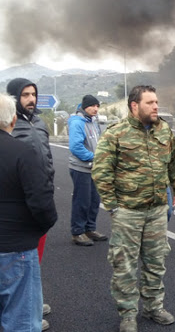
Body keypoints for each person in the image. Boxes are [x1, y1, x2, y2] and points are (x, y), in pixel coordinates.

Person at [92, 85, 175, 332]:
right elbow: (101, 172)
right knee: (124, 265)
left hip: (157, 210)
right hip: (128, 212)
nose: (156, 106)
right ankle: (127, 314)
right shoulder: (116, 133)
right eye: (150, 103)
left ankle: (154, 307)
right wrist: (113, 207)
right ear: (134, 106)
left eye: (156, 102)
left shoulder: (164, 130)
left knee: (156, 262)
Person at [0, 92, 58, 331]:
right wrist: (37, 230)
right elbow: (43, 204)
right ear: (13, 120)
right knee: (21, 322)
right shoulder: (23, 152)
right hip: (16, 249)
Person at [69, 95, 108, 246]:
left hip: (94, 168)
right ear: (85, 106)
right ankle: (77, 232)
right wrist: (95, 157)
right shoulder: (77, 122)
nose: (96, 109)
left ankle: (89, 229)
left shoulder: (93, 121)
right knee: (82, 201)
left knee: (94, 200)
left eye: (97, 106)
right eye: (92, 106)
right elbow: (76, 147)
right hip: (81, 168)